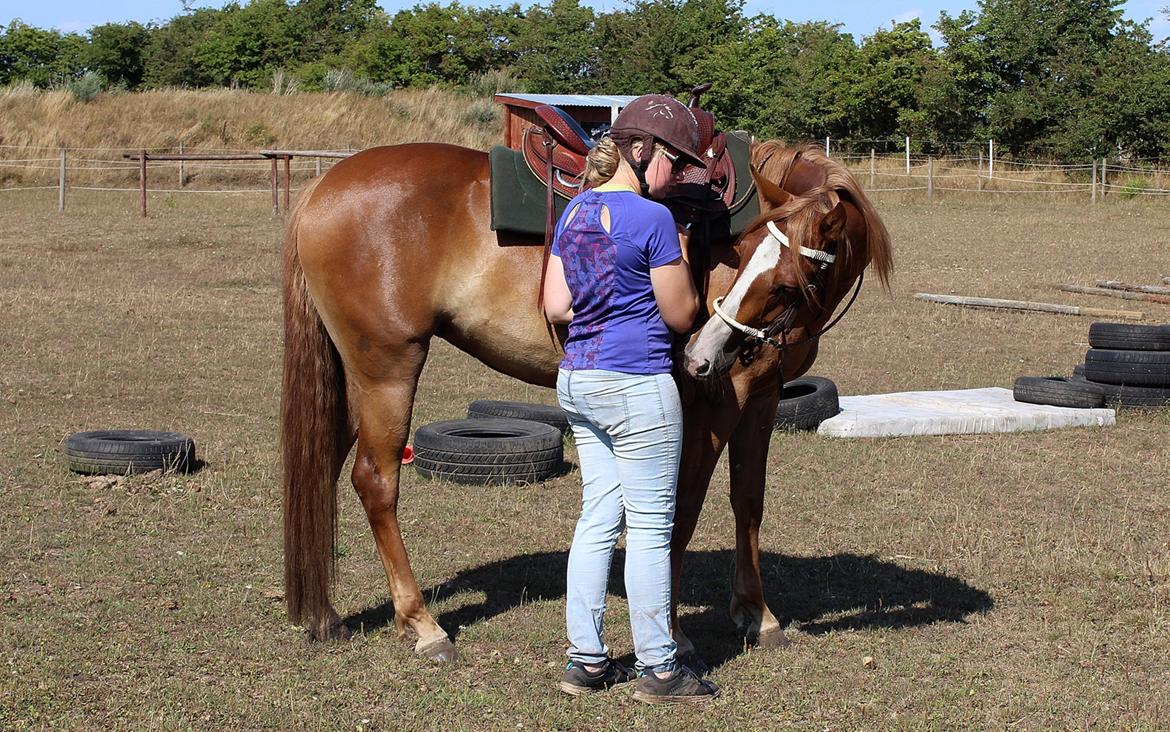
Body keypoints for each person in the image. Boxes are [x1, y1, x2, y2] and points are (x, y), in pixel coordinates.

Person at [542, 94, 719, 704]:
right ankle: (660, 668)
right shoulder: (654, 221)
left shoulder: (572, 213)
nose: (676, 174)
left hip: (579, 381)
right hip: (638, 383)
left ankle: (586, 661)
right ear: (640, 151)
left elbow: (556, 307)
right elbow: (680, 315)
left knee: (596, 520)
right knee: (649, 527)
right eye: (673, 159)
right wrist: (685, 255)